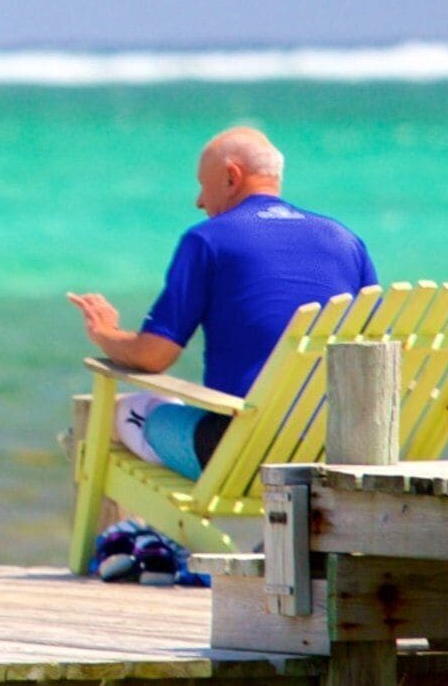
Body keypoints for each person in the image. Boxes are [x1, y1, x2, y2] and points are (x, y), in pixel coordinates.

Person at [69, 126, 377, 481]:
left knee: (122, 413)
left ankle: (124, 537)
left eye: (203, 184)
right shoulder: (346, 241)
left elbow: (154, 356)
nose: (199, 201)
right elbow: (375, 348)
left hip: (242, 455)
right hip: (335, 451)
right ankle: (275, 540)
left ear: (232, 177)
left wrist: (105, 332)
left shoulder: (208, 240)